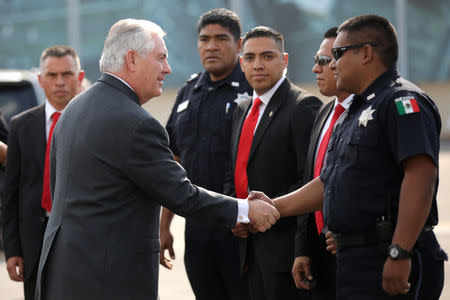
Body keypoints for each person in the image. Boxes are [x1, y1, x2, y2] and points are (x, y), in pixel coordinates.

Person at [33, 19, 279, 300]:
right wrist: (246, 209)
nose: (167, 68)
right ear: (132, 59)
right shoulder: (135, 123)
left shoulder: (73, 109)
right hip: (108, 279)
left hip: (64, 272)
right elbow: (182, 194)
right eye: (161, 58)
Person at [251, 14, 448, 299]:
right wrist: (273, 206)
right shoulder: (353, 109)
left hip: (389, 255)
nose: (332, 64)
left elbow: (421, 177)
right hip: (354, 260)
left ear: (366, 53)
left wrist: (399, 251)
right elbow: (328, 181)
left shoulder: (402, 101)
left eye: (338, 54)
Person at [161, 8, 252, 300]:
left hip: (242, 227)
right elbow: (173, 162)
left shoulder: (253, 88)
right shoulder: (188, 92)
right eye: (204, 39)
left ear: (239, 45)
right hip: (198, 227)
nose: (211, 46)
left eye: (221, 38)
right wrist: (164, 226)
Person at [226, 26, 321, 300]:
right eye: (250, 57)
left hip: (287, 253)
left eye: (267, 56)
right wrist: (235, 212)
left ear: (285, 60)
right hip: (248, 249)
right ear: (241, 62)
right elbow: (233, 171)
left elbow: (311, 181)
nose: (258, 64)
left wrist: (303, 248)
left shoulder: (303, 106)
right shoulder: (243, 109)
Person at [1, 45, 84, 300]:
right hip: (33, 243)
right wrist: (13, 249)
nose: (60, 82)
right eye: (52, 75)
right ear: (40, 80)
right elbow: (11, 192)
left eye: (67, 74)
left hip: (82, 242)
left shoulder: (94, 123)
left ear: (80, 77)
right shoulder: (20, 125)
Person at [292, 27, 352, 300]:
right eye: (316, 60)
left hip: (353, 247)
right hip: (319, 251)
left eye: (324, 61)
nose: (316, 69)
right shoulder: (324, 111)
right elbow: (312, 179)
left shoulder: (372, 112)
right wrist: (303, 248)